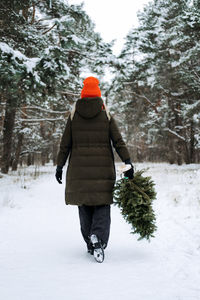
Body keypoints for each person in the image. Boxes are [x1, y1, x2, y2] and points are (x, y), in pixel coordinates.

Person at [55, 76, 134, 263]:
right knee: (102, 204)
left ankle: (90, 243)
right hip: (103, 170)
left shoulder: (74, 115)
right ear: (98, 93)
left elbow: (64, 144)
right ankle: (98, 237)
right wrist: (128, 161)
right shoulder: (105, 114)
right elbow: (118, 141)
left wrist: (59, 165)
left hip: (79, 172)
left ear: (83, 93)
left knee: (84, 205)